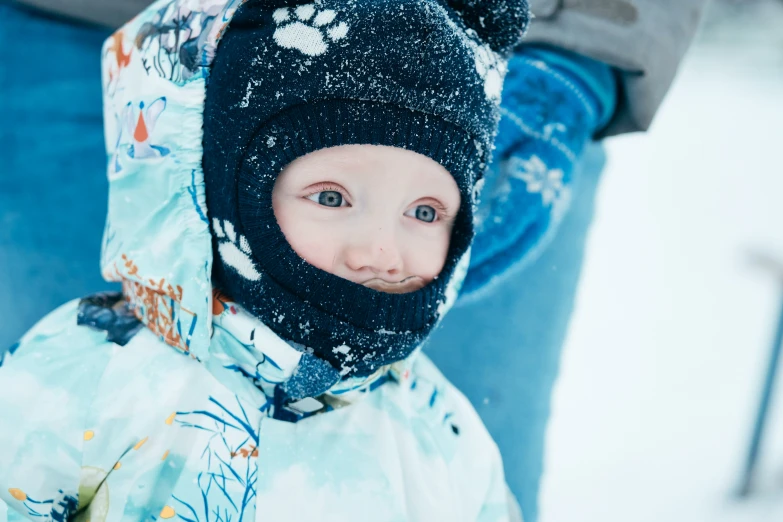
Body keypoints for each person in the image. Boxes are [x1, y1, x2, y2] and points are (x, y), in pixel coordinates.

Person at [1, 1, 708, 521]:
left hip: (527, 40)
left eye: (425, 212)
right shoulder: (85, 383)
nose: (380, 250)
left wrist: (595, 41)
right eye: (332, 197)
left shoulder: (437, 427)